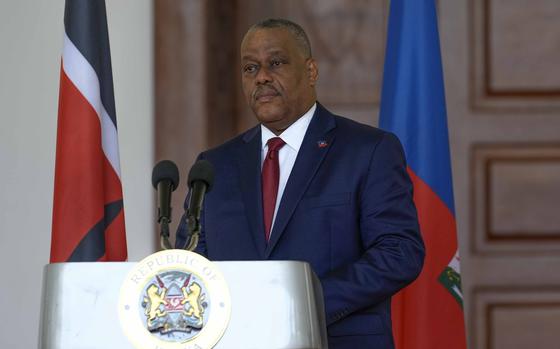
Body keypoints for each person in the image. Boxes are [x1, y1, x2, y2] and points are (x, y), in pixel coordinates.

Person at [177, 18, 424, 349]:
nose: (261, 76)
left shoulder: (368, 150)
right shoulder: (214, 166)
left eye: (275, 63)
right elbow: (189, 263)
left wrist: (304, 301)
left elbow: (400, 252)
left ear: (310, 72)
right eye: (250, 68)